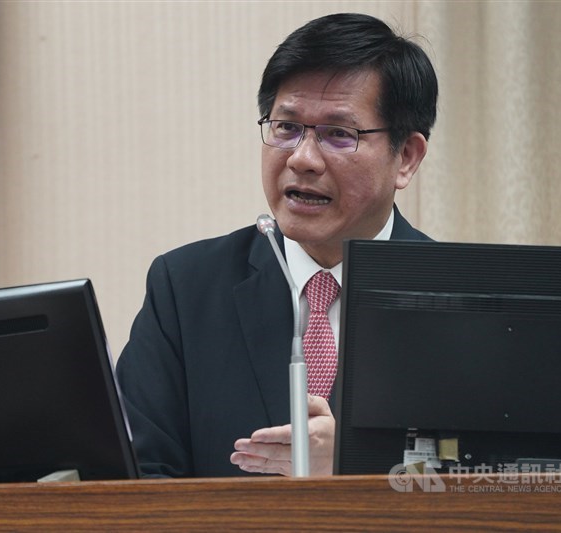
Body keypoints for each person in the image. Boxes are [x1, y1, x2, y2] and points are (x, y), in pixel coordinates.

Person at [115, 12, 438, 478]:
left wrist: (358, 464)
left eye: (339, 134)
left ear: (405, 158)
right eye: (286, 128)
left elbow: (501, 484)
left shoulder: (465, 300)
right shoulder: (185, 289)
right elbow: (141, 476)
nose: (303, 159)